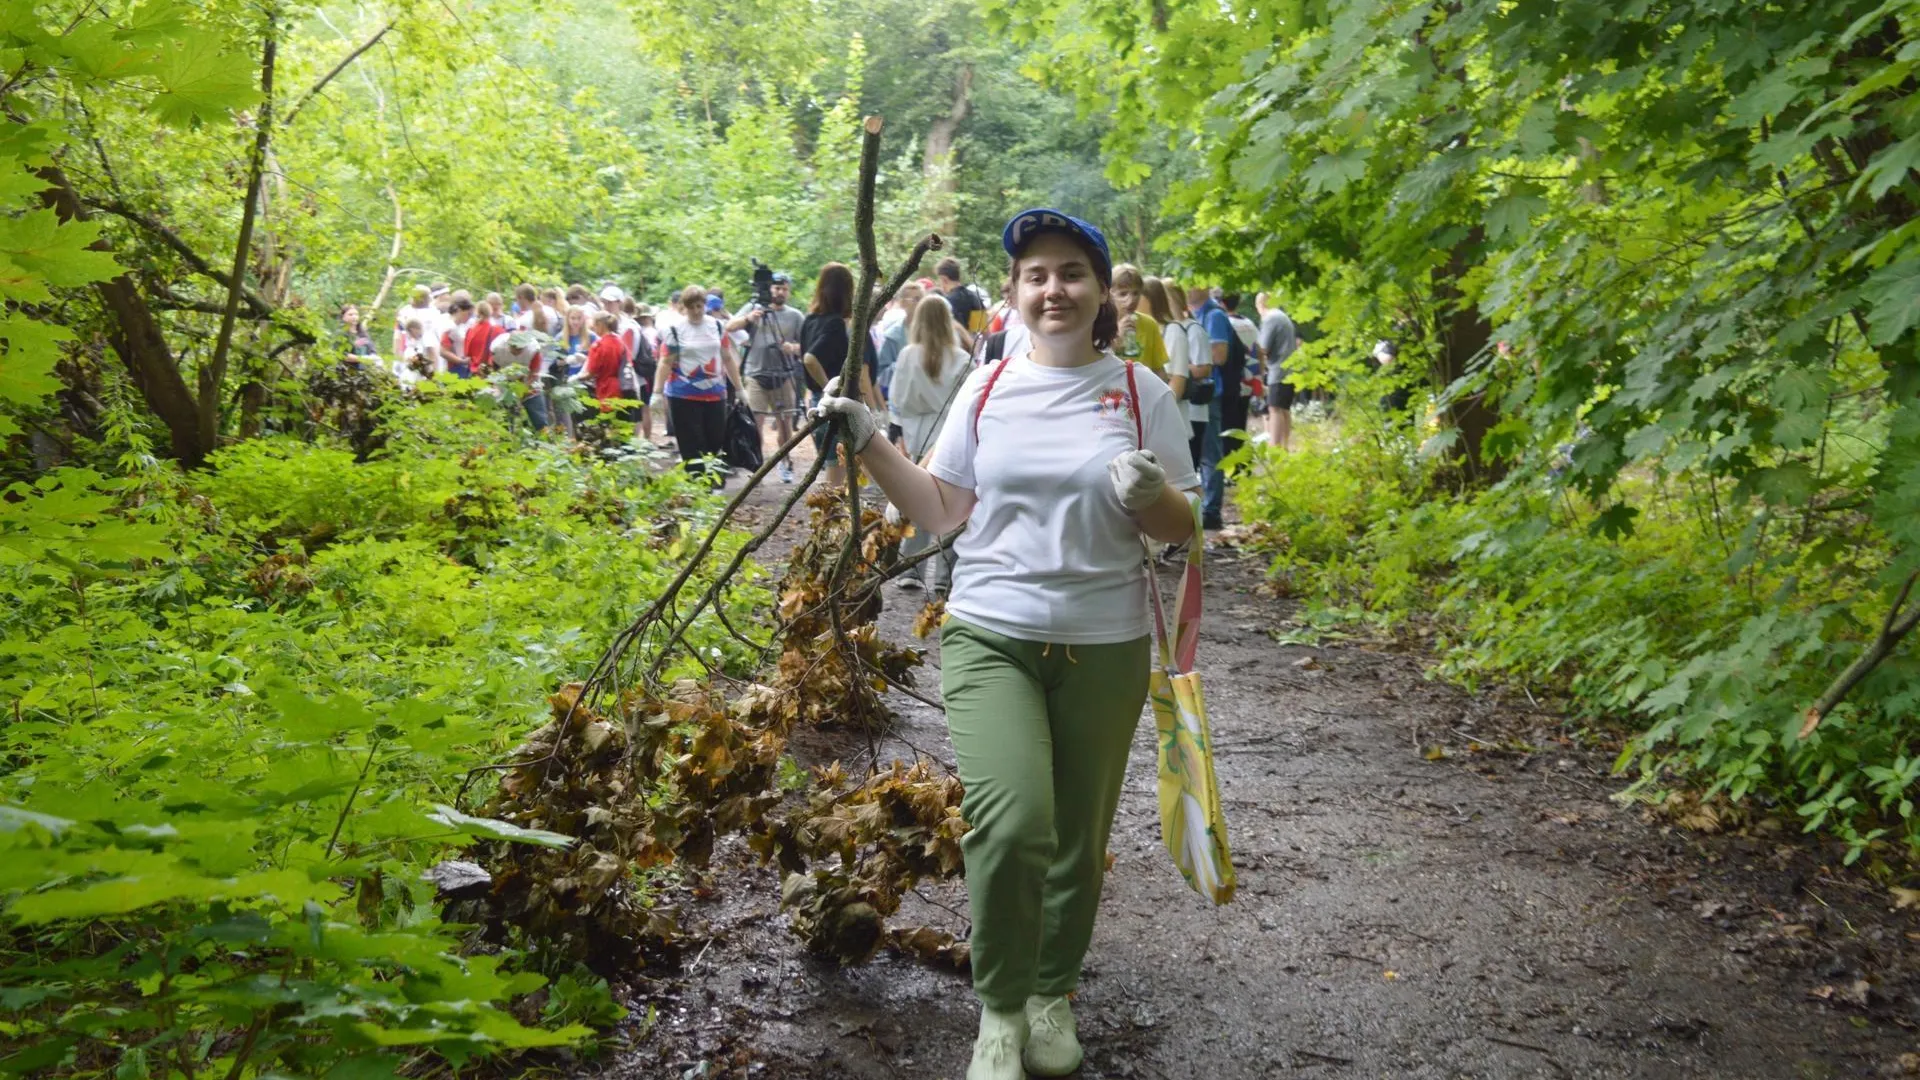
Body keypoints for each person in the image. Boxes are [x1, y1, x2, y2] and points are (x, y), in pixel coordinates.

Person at [811, 208, 1199, 1080]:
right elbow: (943, 511)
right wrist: (869, 442)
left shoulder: (1144, 395)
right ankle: (997, 1011)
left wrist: (1150, 497)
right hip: (992, 633)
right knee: (1015, 822)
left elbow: (1180, 530)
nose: (1053, 288)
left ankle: (1048, 994)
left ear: (1103, 293)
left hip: (1105, 642)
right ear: (1016, 294)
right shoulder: (986, 390)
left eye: (1071, 273)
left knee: (1076, 835)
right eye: (1036, 275)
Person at [886, 292, 971, 593]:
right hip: (950, 435)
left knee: (918, 498)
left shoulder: (908, 354)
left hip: (916, 433)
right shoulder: (962, 359)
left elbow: (896, 399)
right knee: (953, 504)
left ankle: (911, 568)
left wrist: (897, 435)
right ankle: (944, 575)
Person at [657, 284, 743, 486]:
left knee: (715, 440)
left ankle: (714, 483)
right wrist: (656, 391)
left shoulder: (717, 326)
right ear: (684, 308)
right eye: (691, 307)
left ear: (704, 305)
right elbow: (666, 361)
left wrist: (739, 388)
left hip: (714, 393)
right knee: (690, 443)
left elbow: (727, 358)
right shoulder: (675, 330)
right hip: (682, 395)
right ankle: (697, 487)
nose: (696, 311)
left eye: (699, 306)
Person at [801, 262, 877, 488]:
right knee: (838, 474)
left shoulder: (809, 321)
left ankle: (835, 519)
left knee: (836, 469)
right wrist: (830, 388)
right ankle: (831, 521)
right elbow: (809, 359)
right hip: (833, 406)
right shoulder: (835, 324)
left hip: (816, 402)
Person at [727, 272, 806, 482]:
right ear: (769, 289)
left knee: (785, 425)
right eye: (776, 287)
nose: (779, 291)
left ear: (788, 291)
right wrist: (748, 318)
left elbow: (808, 345)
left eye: (784, 288)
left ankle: (786, 462)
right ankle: (757, 466)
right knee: (755, 424)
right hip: (755, 374)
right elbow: (728, 327)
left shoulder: (795, 316)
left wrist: (793, 348)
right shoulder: (754, 307)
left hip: (784, 374)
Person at [1146, 277, 1208, 483]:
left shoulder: (1173, 331)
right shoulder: (1140, 332)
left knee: (1175, 486)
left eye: (1137, 295)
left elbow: (1177, 382)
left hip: (1170, 426)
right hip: (1149, 428)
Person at [1186, 285, 1234, 531]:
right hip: (1199, 394)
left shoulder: (1213, 315)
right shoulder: (1196, 315)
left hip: (1209, 394)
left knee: (1210, 452)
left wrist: (1188, 362)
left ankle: (1212, 510)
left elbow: (1219, 356)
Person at [877, 281, 927, 445]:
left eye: (922, 298)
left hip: (927, 402)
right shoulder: (893, 335)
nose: (921, 303)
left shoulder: (933, 332)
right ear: (903, 302)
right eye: (916, 299)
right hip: (901, 403)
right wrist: (903, 367)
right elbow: (881, 371)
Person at [582, 310, 641, 434]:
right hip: (622, 386)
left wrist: (578, 378)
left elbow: (591, 372)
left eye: (595, 325)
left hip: (606, 388)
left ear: (600, 325)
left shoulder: (598, 345)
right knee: (621, 423)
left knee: (608, 424)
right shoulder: (619, 341)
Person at [1254, 291, 1298, 450]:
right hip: (1289, 368)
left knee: (1275, 408)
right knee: (1284, 409)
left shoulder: (1270, 319)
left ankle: (1275, 447)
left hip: (1278, 370)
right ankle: (1285, 446)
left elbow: (1263, 348)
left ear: (1261, 305)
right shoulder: (1282, 316)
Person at [1109, 264, 1168, 377]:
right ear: (1110, 294)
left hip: (1143, 391)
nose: (1131, 300)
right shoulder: (1098, 323)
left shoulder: (1149, 324)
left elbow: (1158, 369)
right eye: (1123, 294)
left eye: (1136, 293)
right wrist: (1117, 338)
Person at [491, 330, 549, 430]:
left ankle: (544, 439)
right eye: (514, 348)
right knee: (505, 420)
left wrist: (521, 392)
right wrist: (497, 387)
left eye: (520, 349)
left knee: (539, 418)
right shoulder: (497, 348)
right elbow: (494, 371)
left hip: (528, 382)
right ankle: (507, 440)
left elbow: (533, 374)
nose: (517, 352)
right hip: (505, 382)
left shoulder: (533, 350)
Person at [1219, 292, 1258, 444]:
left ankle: (1232, 460)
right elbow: (1258, 350)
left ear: (1222, 303)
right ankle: (1243, 459)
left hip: (1233, 380)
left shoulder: (1226, 323)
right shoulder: (1249, 323)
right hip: (1249, 378)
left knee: (1229, 424)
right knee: (1242, 423)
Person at [935, 256, 986, 351]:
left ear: (944, 279)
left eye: (939, 280)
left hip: (953, 354)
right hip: (974, 354)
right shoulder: (975, 298)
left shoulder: (945, 303)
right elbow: (982, 331)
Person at [391, 285, 444, 358]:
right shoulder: (404, 313)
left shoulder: (434, 312)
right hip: (413, 350)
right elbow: (398, 337)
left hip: (430, 349)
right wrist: (398, 355)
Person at [464, 300, 506, 374]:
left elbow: (467, 353)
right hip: (491, 371)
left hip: (474, 371)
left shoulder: (470, 331)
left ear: (477, 312)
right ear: (490, 312)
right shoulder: (498, 330)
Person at [440, 296, 476, 376]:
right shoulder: (449, 327)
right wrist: (461, 361)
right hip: (454, 367)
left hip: (462, 366)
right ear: (459, 310)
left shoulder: (461, 326)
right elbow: (443, 351)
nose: (469, 317)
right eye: (468, 314)